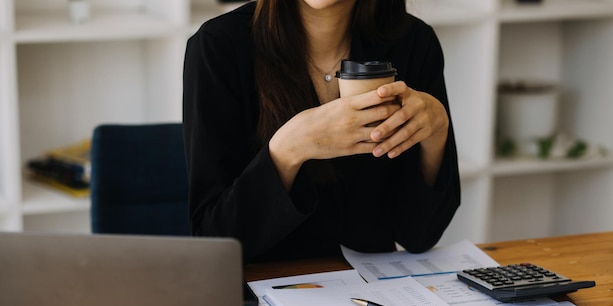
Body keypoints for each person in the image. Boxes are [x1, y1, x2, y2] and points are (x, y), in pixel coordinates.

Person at [183, 0, 460, 263]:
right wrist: (287, 151)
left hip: (373, 294)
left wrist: (437, 133)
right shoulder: (218, 47)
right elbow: (213, 243)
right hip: (266, 298)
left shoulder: (414, 43)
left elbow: (419, 236)